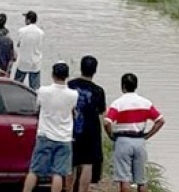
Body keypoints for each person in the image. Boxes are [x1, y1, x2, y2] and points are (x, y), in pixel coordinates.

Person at [22, 62, 79, 192]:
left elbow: (37, 107)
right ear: (67, 76)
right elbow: (73, 111)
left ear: (53, 74)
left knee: (34, 170)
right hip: (64, 137)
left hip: (45, 135)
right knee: (58, 173)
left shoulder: (43, 91)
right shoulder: (73, 95)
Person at [104, 73, 165, 192]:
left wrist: (110, 134)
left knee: (124, 178)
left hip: (123, 140)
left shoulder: (118, 103)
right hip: (139, 140)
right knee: (141, 179)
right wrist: (147, 135)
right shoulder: (146, 103)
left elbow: (107, 122)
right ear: (136, 86)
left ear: (122, 86)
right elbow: (160, 120)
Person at [67, 56, 107, 192]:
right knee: (87, 163)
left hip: (72, 128)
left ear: (81, 68)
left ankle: (68, 189)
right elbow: (101, 113)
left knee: (71, 162)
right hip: (90, 131)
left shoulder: (70, 85)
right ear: (95, 70)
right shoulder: (98, 91)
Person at [15, 11, 44, 90]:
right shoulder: (41, 32)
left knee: (17, 85)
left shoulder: (21, 30)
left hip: (23, 61)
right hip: (35, 62)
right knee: (34, 88)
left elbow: (18, 44)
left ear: (28, 20)